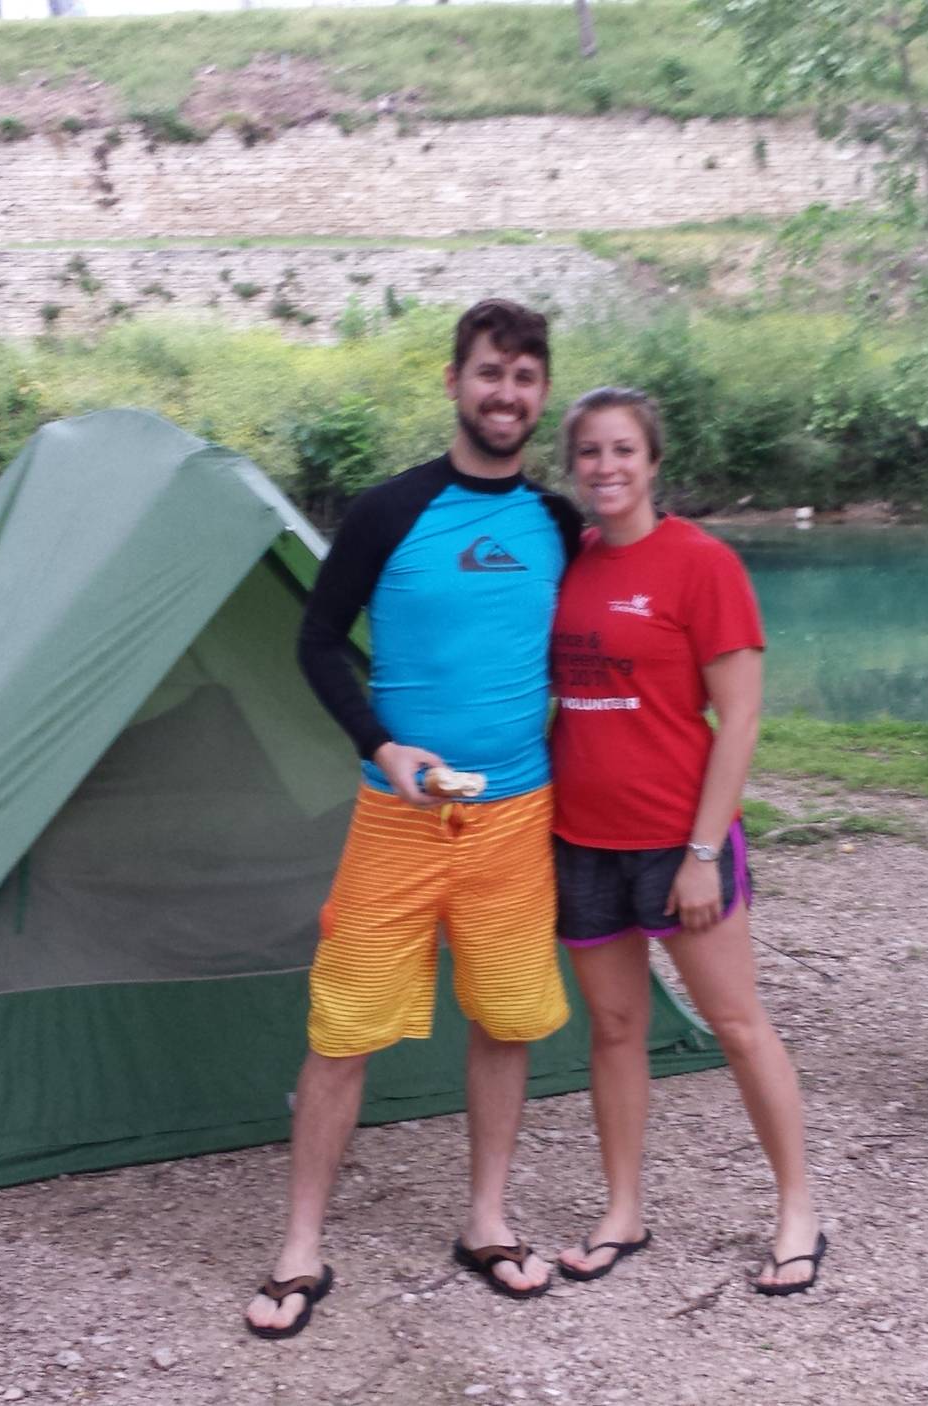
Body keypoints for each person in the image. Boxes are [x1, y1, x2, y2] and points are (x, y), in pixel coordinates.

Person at [244, 299, 582, 1339]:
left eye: (526, 377)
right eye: (490, 372)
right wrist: (382, 745)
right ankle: (301, 1245)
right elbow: (313, 643)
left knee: (506, 1014)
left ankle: (486, 1219)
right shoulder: (389, 512)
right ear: (453, 381)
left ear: (540, 394)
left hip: (517, 816)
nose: (507, 393)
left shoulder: (560, 524)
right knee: (343, 1026)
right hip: (397, 816)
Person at [545, 387, 825, 1296]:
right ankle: (623, 1210)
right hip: (581, 839)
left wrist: (703, 851)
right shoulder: (571, 561)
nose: (606, 468)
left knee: (738, 1025)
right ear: (573, 465)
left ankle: (797, 1209)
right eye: (589, 452)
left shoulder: (700, 564)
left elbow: (739, 718)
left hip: (679, 841)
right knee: (617, 1029)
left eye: (623, 450)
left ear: (653, 461)